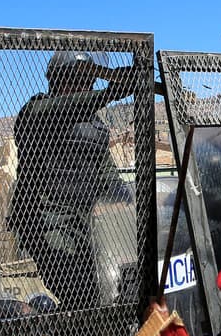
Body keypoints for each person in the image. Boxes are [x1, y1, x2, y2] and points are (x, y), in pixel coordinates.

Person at [8, 50, 140, 311]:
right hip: (48, 224)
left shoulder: (94, 128)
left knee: (119, 289)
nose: (84, 88)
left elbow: (108, 176)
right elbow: (65, 109)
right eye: (78, 81)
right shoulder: (35, 112)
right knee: (83, 296)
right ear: (59, 80)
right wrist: (110, 93)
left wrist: (129, 207)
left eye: (88, 82)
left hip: (88, 225)